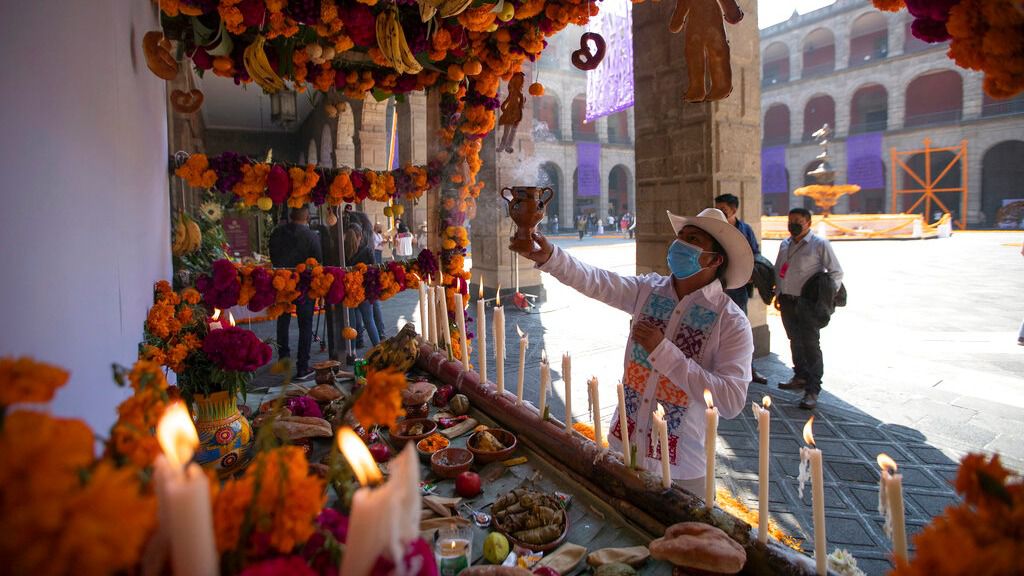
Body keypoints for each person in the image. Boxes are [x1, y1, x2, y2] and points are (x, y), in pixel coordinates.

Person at [512, 208, 753, 499]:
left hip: (682, 468)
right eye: (680, 236)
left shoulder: (730, 321)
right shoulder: (648, 290)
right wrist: (551, 258)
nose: (680, 244)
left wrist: (664, 351)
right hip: (622, 444)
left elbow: (730, 399)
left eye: (692, 239)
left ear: (714, 260)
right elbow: (596, 281)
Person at [774, 208, 844, 410]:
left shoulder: (819, 244)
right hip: (787, 301)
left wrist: (824, 297)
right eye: (790, 220)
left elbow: (836, 272)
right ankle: (800, 376)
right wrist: (779, 293)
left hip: (808, 304)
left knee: (811, 345)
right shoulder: (785, 244)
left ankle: (813, 389)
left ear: (808, 223)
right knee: (794, 340)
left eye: (798, 221)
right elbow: (780, 270)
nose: (793, 224)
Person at [714, 193, 768, 386]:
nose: (719, 213)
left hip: (738, 289)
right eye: (717, 209)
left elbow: (755, 253)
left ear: (734, 210)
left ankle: (748, 369)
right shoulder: (713, 230)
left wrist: (750, 271)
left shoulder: (745, 230)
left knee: (741, 328)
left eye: (723, 210)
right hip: (716, 288)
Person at [270, 205, 323, 381]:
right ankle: (302, 366)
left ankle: (284, 359)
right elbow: (318, 261)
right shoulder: (311, 236)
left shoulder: (277, 233)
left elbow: (272, 255)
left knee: (283, 320)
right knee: (305, 324)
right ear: (307, 216)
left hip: (282, 282)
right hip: (303, 284)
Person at [342, 217, 381, 349]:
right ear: (360, 236)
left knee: (352, 324)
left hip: (349, 291)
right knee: (369, 321)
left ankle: (351, 353)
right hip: (364, 291)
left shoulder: (343, 252)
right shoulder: (367, 250)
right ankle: (378, 348)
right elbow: (374, 270)